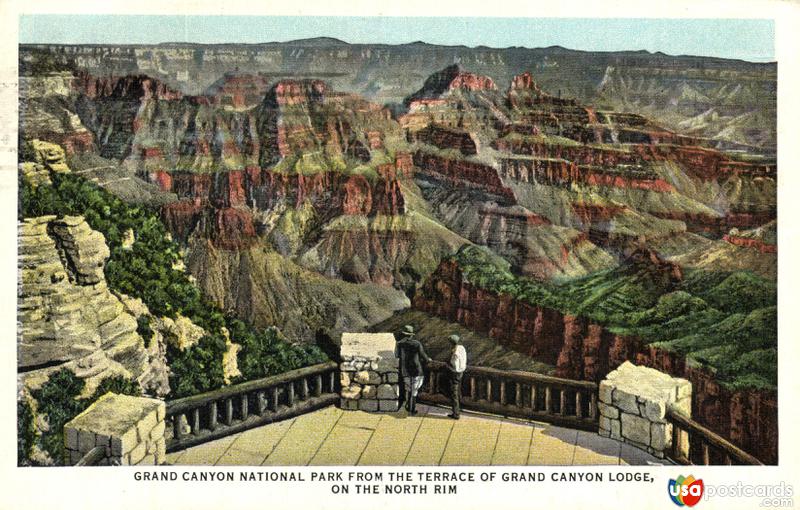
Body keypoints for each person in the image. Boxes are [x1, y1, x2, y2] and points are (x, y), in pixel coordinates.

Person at [395, 324, 430, 415]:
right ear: (411, 335)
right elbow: (423, 356)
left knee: (408, 389)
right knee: (415, 390)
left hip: (405, 370)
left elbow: (397, 356)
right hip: (416, 369)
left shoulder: (399, 344)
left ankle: (408, 406)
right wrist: (428, 360)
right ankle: (412, 409)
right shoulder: (417, 344)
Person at [447, 334, 467, 419]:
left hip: (455, 374)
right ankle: (458, 409)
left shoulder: (454, 352)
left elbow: (455, 366)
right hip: (462, 372)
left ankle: (456, 413)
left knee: (454, 394)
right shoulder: (462, 348)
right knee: (458, 391)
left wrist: (448, 367)